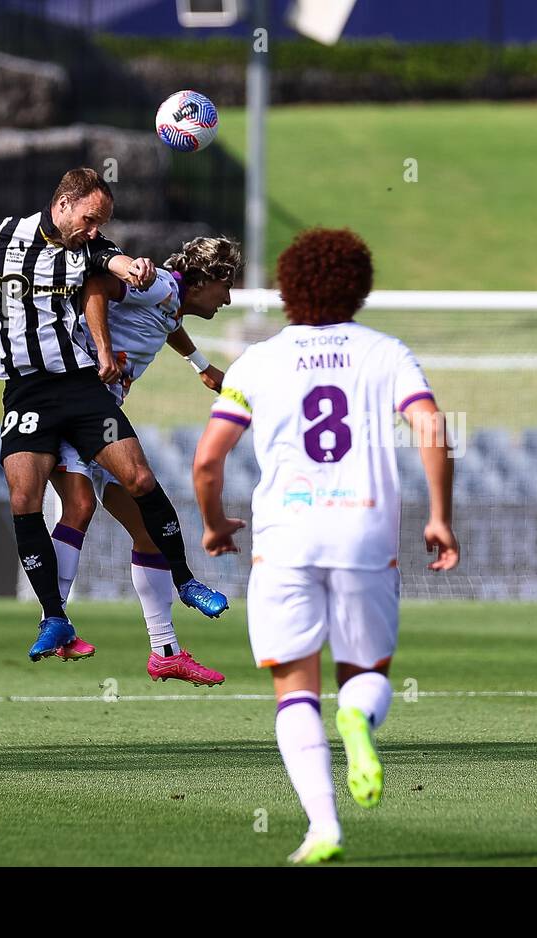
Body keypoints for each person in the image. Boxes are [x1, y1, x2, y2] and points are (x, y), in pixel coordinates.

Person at [0, 168, 229, 663]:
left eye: (102, 223)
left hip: (81, 389)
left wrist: (133, 269)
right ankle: (55, 617)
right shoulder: (1, 236)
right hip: (26, 393)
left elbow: (114, 266)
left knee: (137, 477)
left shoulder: (90, 249)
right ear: (64, 205)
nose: (95, 229)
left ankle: (185, 582)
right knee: (24, 496)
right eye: (91, 218)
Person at [193, 228, 459, 864]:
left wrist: (213, 522)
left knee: (294, 688)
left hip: (285, 535)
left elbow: (208, 462)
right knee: (366, 675)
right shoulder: (386, 352)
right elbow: (431, 424)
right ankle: (359, 721)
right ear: (359, 287)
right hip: (364, 529)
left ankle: (323, 829)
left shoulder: (258, 361)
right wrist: (441, 515)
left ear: (288, 289)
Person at [47, 237, 242, 688]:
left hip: (103, 412)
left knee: (148, 531)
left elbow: (166, 320)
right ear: (205, 280)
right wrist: (100, 349)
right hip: (79, 403)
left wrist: (201, 364)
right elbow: (96, 285)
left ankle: (166, 652)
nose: (228, 299)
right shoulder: (161, 287)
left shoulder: (169, 297)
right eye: (225, 287)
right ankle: (53, 620)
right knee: (81, 506)